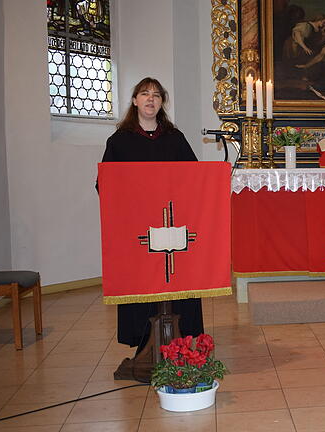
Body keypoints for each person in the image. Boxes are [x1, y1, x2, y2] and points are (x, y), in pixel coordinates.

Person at [99, 77, 204, 351]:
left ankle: (181, 336)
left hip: (172, 223)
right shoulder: (120, 141)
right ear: (135, 101)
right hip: (137, 228)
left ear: (162, 103)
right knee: (142, 279)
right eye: (144, 94)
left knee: (175, 277)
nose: (150, 99)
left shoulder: (174, 139)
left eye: (156, 95)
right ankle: (145, 340)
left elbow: (194, 177)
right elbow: (105, 184)